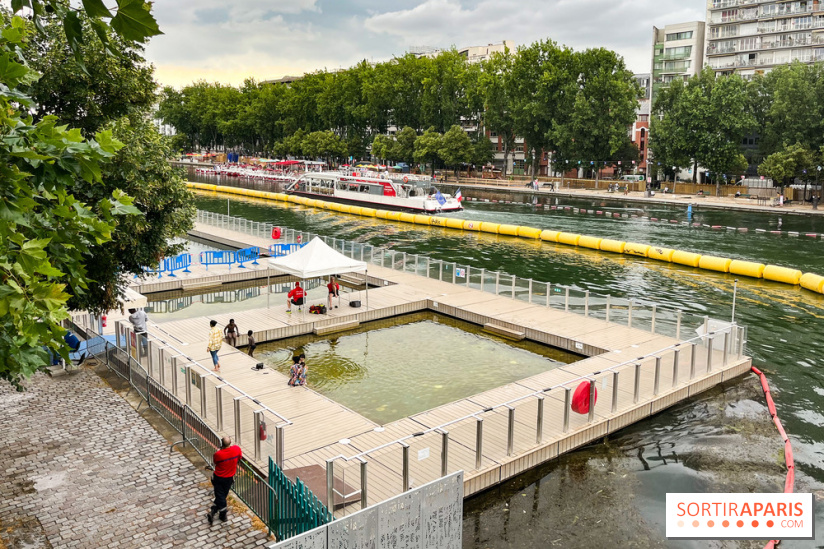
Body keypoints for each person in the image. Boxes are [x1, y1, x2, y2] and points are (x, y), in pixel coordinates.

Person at [207, 436, 242, 525]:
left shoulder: (218, 454)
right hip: (229, 478)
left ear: (221, 444)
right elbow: (240, 457)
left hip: (219, 477)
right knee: (222, 495)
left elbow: (215, 462)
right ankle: (217, 513)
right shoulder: (236, 449)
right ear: (230, 443)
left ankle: (220, 514)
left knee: (221, 496)